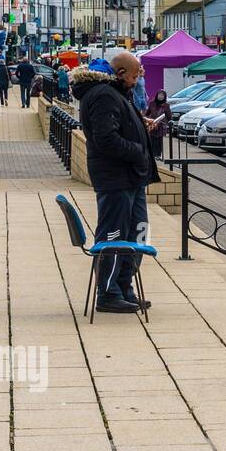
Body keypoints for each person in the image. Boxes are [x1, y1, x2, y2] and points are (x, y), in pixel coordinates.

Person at [72, 53, 159, 314]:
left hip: (132, 178)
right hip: (116, 180)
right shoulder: (103, 95)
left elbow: (117, 126)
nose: (136, 82)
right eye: (134, 76)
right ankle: (108, 293)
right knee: (114, 235)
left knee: (139, 233)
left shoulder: (116, 93)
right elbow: (105, 138)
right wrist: (138, 150)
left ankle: (125, 287)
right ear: (121, 73)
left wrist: (139, 126)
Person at [144, 89, 171, 158]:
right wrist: (147, 119)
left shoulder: (166, 105)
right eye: (159, 95)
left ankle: (158, 155)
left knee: (159, 140)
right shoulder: (152, 103)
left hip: (161, 125)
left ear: (165, 96)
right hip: (152, 124)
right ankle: (152, 154)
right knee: (152, 140)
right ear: (157, 95)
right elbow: (147, 113)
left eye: (162, 95)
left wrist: (165, 122)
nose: (161, 96)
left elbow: (169, 116)